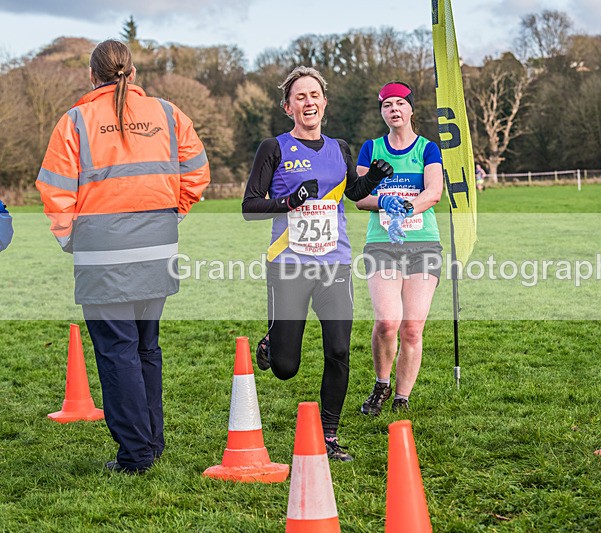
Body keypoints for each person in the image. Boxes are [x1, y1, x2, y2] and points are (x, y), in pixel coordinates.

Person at [36, 40, 210, 474]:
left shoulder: (75, 121)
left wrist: (70, 238)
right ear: (132, 73)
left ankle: (136, 455)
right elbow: (197, 173)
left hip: (103, 253)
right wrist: (172, 214)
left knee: (117, 351)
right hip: (158, 245)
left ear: (92, 76)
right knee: (146, 347)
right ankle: (151, 442)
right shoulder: (169, 114)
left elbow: (55, 190)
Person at [241, 66, 394, 462]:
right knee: (286, 367)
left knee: (339, 352)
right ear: (288, 106)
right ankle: (273, 342)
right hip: (289, 265)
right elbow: (249, 207)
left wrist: (373, 178)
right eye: (300, 97)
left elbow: (352, 193)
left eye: (314, 95)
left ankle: (329, 435)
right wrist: (289, 202)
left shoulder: (340, 148)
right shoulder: (272, 149)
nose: (308, 102)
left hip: (335, 263)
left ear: (324, 102)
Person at [355, 81, 443, 416]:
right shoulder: (371, 148)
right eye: (387, 105)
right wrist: (384, 200)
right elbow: (361, 196)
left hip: (423, 244)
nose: (394, 109)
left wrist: (404, 208)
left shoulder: (427, 149)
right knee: (387, 322)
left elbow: (433, 192)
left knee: (412, 327)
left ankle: (402, 397)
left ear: (410, 109)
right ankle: (381, 383)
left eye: (399, 103)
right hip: (382, 245)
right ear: (382, 112)